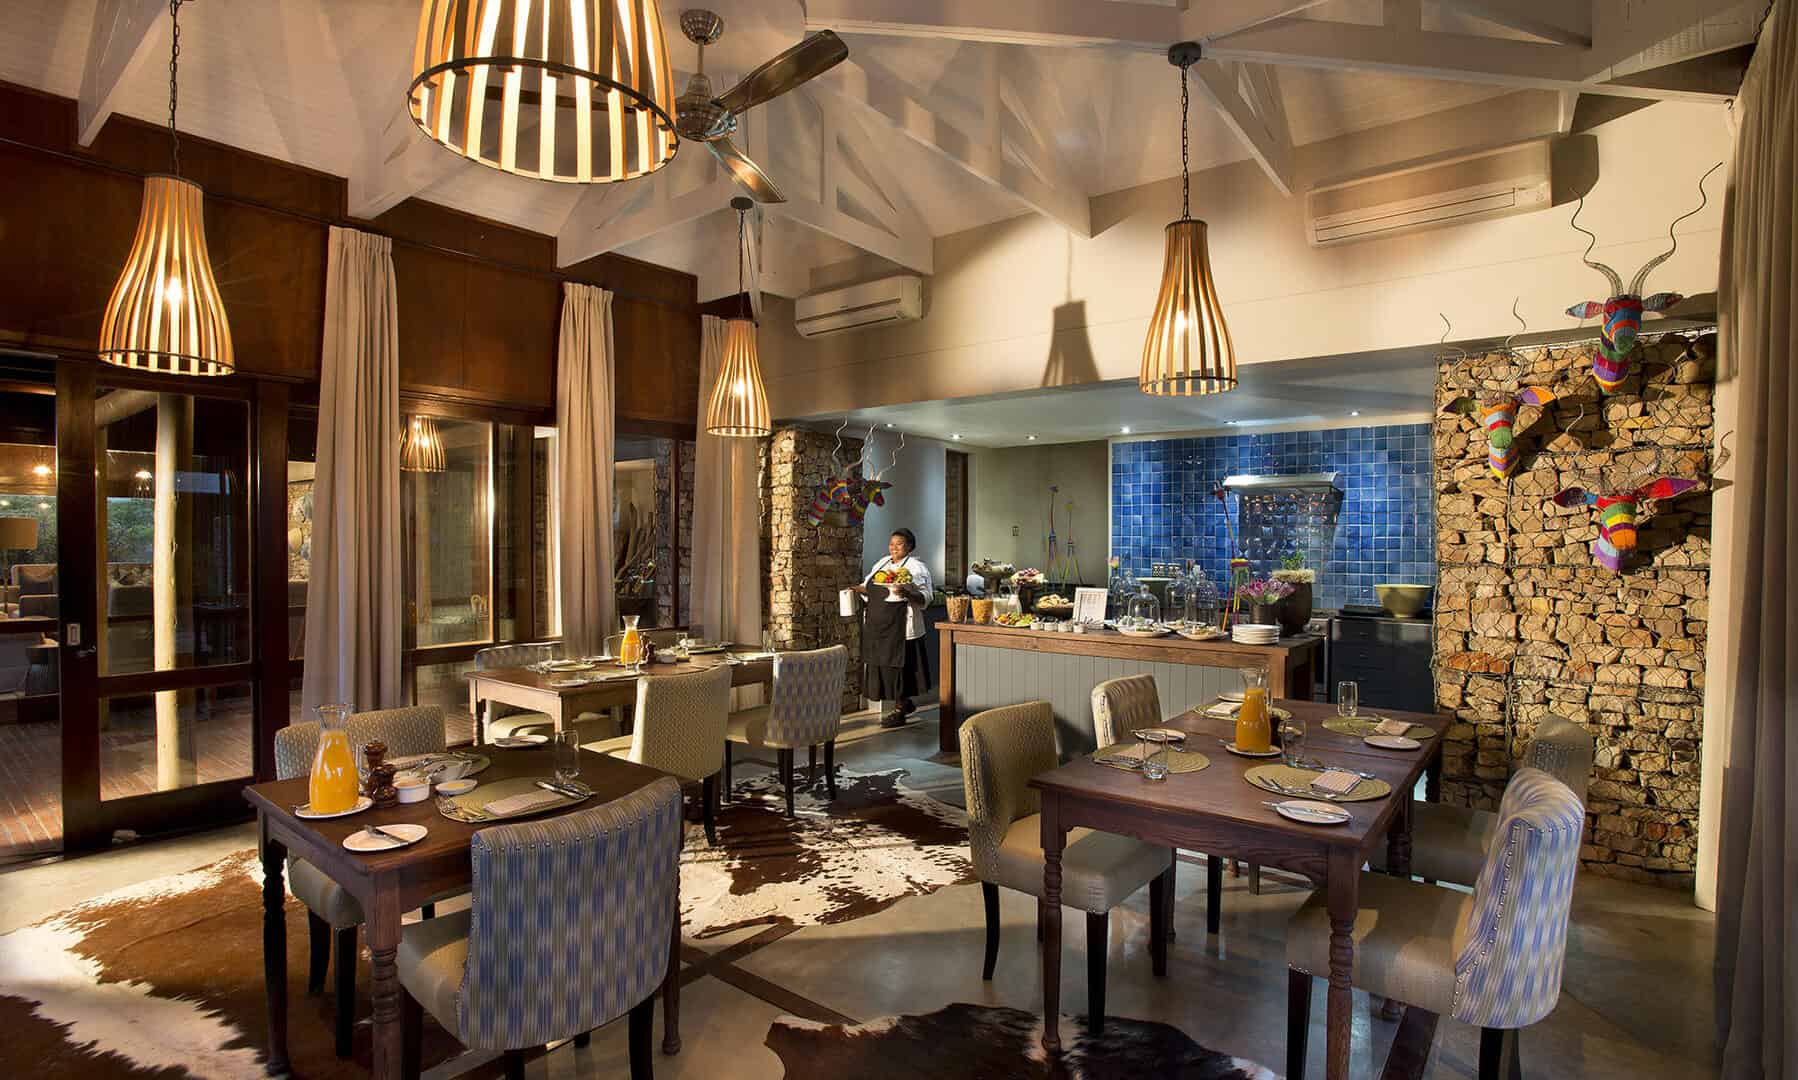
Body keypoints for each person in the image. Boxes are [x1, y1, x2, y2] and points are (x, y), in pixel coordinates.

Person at [853, 528, 934, 728]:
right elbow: (868, 588)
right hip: (879, 628)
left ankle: (899, 710)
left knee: (900, 671)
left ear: (909, 546)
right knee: (884, 669)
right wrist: (856, 589)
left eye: (899, 544)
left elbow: (926, 597)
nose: (894, 548)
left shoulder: (916, 568)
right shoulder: (882, 563)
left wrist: (907, 594)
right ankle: (904, 704)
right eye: (891, 544)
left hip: (901, 629)